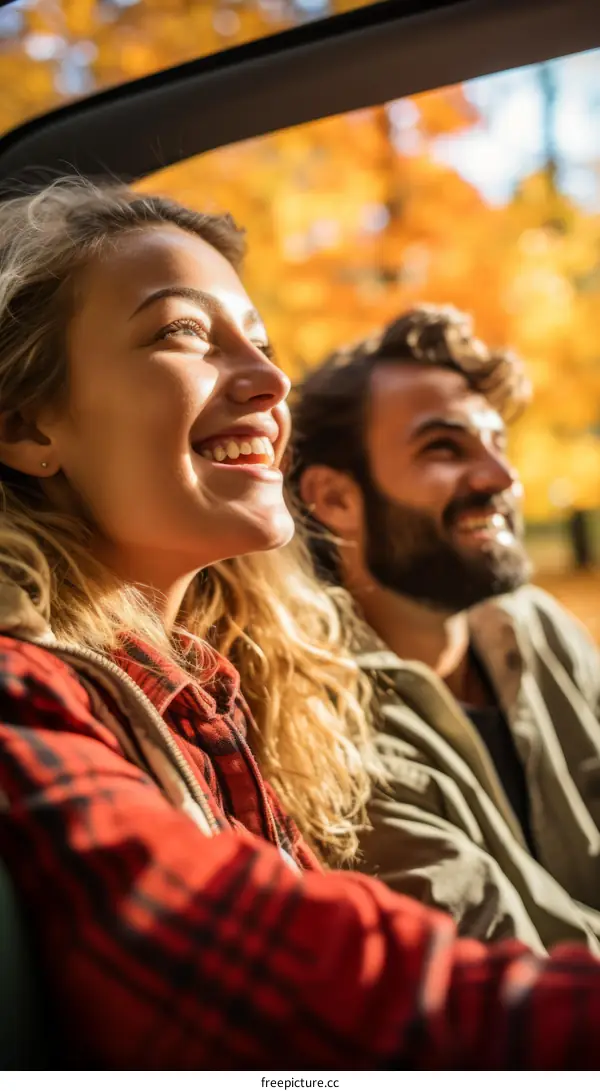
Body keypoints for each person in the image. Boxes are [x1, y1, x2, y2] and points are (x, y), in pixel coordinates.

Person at [1, 185, 600, 1072]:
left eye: (262, 342)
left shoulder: (222, 695)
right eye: (182, 333)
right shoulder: (27, 692)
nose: (271, 379)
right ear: (23, 424)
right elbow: (243, 951)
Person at [289, 304, 600, 956]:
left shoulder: (533, 626)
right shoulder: (322, 729)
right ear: (335, 498)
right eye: (443, 447)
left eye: (498, 442)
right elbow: (509, 970)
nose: (502, 477)